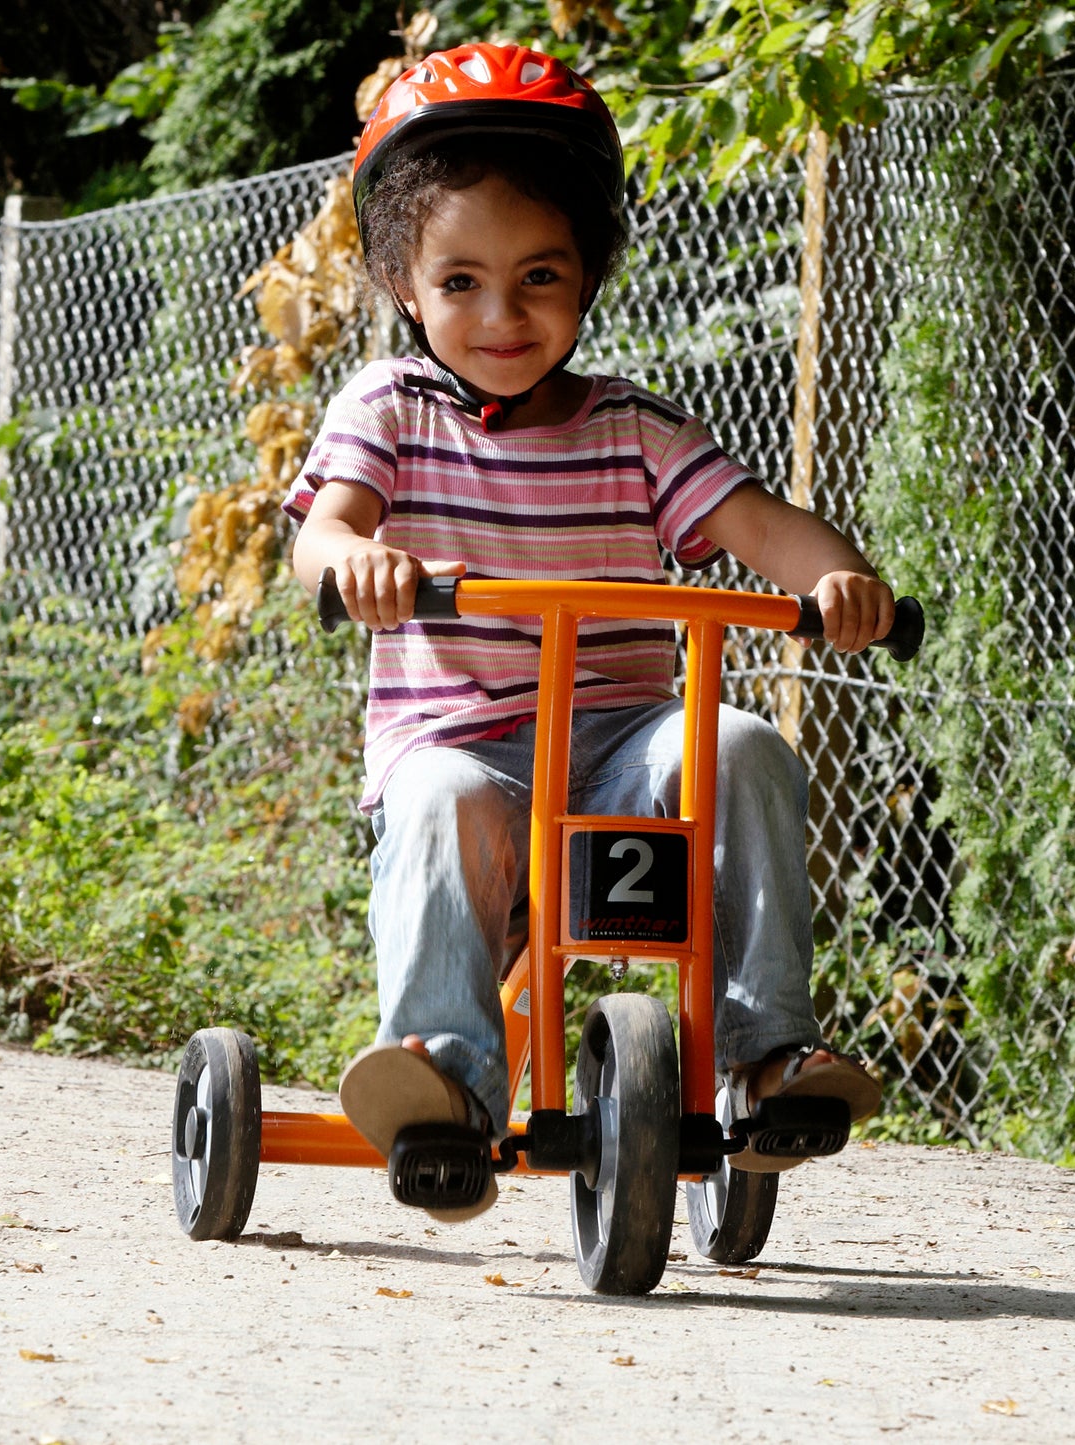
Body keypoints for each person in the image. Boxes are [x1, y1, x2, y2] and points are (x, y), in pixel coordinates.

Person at [287, 42, 889, 1220]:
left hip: (621, 741)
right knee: (437, 803)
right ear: (402, 282)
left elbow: (763, 529)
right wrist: (352, 558)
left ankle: (766, 1055)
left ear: (589, 275)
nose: (502, 315)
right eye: (459, 282)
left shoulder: (632, 427)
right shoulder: (388, 409)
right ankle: (447, 1084)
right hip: (462, 739)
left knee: (743, 744)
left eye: (540, 276)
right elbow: (327, 529)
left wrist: (841, 579)